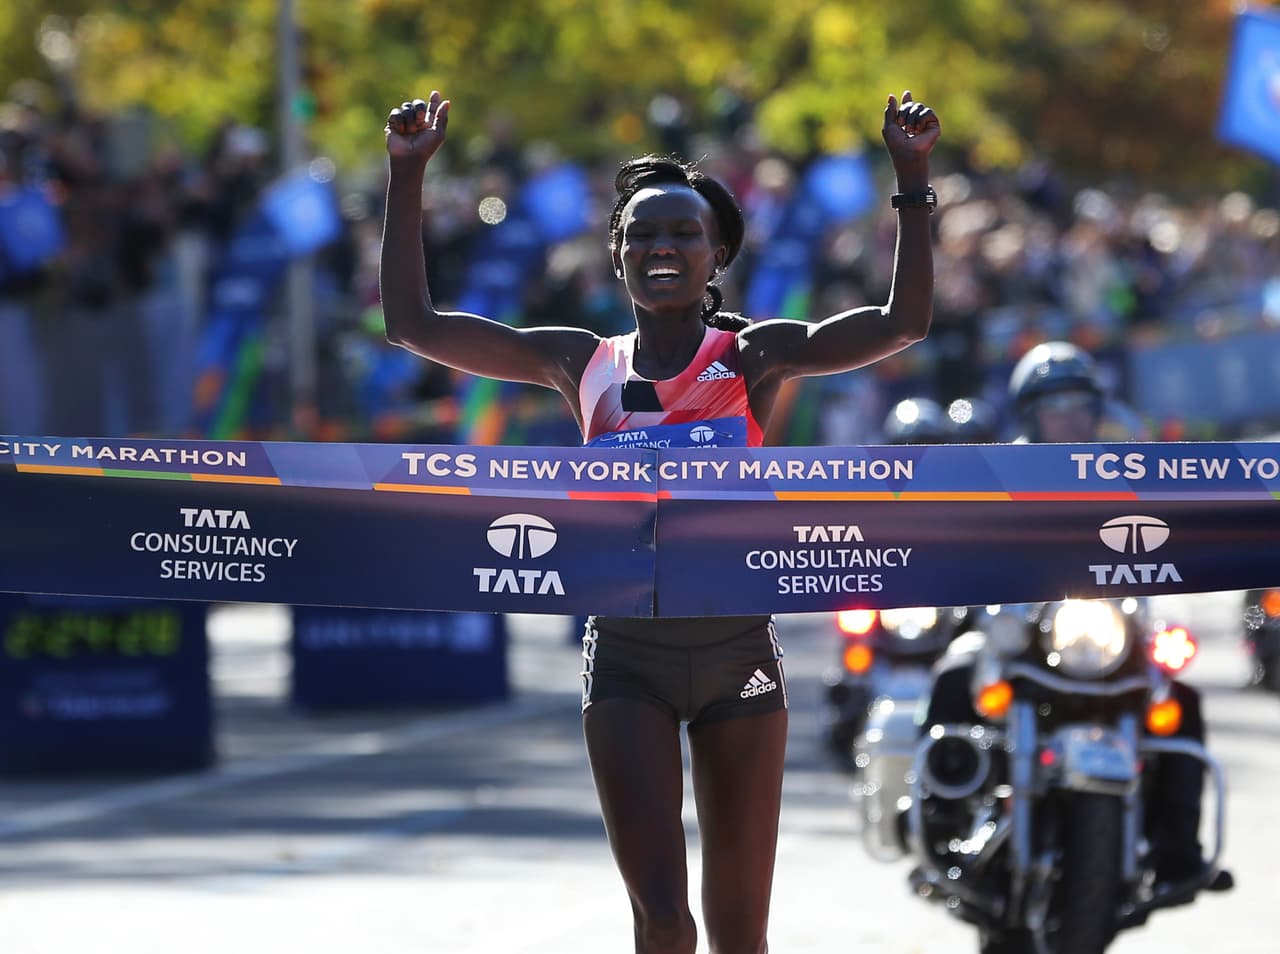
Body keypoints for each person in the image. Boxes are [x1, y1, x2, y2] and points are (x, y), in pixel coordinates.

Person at [381, 88, 940, 953]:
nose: (661, 247)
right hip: (628, 662)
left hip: (739, 659)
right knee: (663, 923)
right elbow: (414, 326)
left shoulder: (757, 354)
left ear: (716, 253)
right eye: (640, 235)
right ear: (617, 260)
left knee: (738, 935)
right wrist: (407, 173)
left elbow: (904, 324)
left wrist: (911, 174)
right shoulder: (580, 364)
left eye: (682, 233)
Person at [925, 340, 1231, 894]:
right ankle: (941, 810)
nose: (1069, 416)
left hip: (1104, 627)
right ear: (1030, 413)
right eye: (1054, 404)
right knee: (954, 672)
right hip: (1026, 622)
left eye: (1079, 404)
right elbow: (962, 536)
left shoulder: (1126, 468)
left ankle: (1178, 848)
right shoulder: (997, 472)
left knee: (1179, 700)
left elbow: (1170, 530)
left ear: (1097, 410)